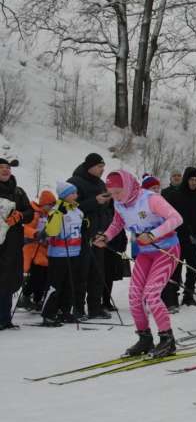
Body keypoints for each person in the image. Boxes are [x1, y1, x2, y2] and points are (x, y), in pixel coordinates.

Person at [93, 170, 183, 358]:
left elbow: (176, 218)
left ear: (127, 186)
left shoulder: (150, 199)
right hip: (145, 253)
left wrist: (152, 234)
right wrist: (106, 236)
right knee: (134, 296)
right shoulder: (120, 203)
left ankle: (167, 339)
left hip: (166, 250)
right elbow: (118, 223)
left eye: (118, 192)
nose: (115, 197)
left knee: (151, 294)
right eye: (112, 193)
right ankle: (145, 338)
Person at [67, 153, 113, 319]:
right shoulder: (74, 182)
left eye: (103, 167)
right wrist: (95, 201)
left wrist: (106, 228)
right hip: (81, 235)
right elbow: (70, 207)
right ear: (90, 166)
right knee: (81, 273)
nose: (102, 170)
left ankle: (95, 307)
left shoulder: (101, 183)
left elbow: (108, 210)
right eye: (100, 166)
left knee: (98, 273)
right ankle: (77, 308)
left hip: (99, 235)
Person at [162, 167, 196, 308]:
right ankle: (172, 297)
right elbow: (168, 218)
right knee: (175, 269)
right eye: (191, 179)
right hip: (178, 239)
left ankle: (189, 296)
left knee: (193, 269)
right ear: (186, 179)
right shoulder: (174, 196)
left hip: (195, 240)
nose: (194, 182)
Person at [41, 182, 85, 327]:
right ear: (64, 195)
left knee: (69, 284)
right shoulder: (56, 210)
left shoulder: (78, 211)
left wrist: (87, 226)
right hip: (58, 254)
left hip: (74, 253)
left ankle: (65, 311)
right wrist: (58, 214)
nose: (75, 195)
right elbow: (52, 232)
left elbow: (80, 229)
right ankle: (49, 313)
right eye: (72, 193)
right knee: (55, 285)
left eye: (76, 193)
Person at [0, 157, 34, 330]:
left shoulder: (18, 191)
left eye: (7, 167)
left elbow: (30, 212)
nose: (5, 170)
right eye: (1, 168)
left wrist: (20, 216)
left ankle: (4, 319)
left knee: (9, 280)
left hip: (13, 243)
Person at [21, 190, 55, 311]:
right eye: (50, 204)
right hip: (32, 249)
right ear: (43, 203)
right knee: (38, 275)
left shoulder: (48, 215)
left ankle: (36, 299)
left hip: (43, 249)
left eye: (52, 205)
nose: (51, 207)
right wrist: (36, 234)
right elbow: (26, 228)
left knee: (44, 276)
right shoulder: (34, 213)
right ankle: (27, 297)